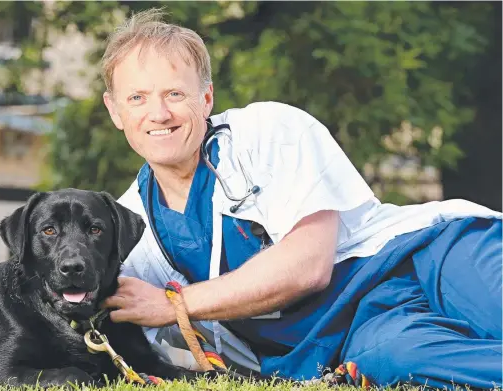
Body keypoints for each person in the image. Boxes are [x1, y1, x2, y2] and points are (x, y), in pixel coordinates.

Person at [99, 8, 502, 389]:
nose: (158, 113)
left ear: (206, 99)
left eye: (174, 94)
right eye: (137, 98)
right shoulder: (126, 227)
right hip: (361, 331)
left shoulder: (267, 132)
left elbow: (308, 266)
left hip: (431, 254)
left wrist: (176, 304)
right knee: (399, 359)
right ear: (115, 111)